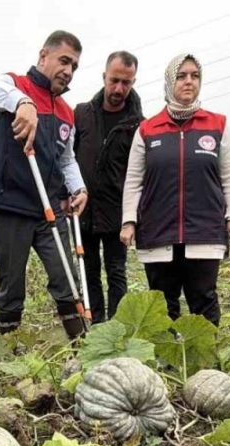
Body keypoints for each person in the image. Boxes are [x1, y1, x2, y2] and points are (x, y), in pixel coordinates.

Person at [0, 30, 89, 339]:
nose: (68, 71)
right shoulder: (14, 85)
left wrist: (78, 188)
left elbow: (66, 160)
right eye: (64, 61)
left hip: (50, 210)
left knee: (66, 277)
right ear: (44, 56)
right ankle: (7, 352)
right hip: (9, 204)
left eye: (74, 66)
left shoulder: (66, 112)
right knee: (11, 286)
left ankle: (80, 347)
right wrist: (22, 102)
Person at [120, 54, 230, 326]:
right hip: (158, 229)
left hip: (204, 230)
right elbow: (134, 180)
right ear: (169, 81)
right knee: (163, 305)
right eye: (181, 76)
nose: (189, 81)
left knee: (204, 300)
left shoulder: (217, 125)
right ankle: (166, 360)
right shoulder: (147, 129)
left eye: (194, 76)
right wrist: (129, 221)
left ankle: (205, 361)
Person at [74, 51, 143, 323]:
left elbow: (140, 175)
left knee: (116, 272)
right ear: (104, 76)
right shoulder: (81, 114)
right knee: (88, 270)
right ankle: (95, 324)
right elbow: (68, 157)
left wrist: (133, 218)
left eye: (126, 83)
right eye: (114, 80)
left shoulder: (139, 125)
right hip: (84, 211)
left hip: (117, 212)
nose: (119, 89)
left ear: (133, 82)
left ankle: (116, 327)